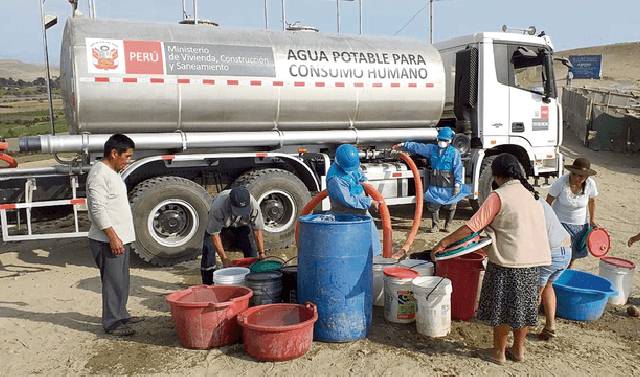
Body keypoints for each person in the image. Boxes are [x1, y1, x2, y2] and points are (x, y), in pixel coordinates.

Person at [432, 153, 550, 365]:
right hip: (533, 263)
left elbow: (472, 227)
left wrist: (443, 243)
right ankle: (518, 350)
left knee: (503, 308)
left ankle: (498, 353)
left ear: (496, 176)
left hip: (509, 262)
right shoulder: (531, 195)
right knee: (523, 308)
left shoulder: (499, 196)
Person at [86, 134, 142, 337]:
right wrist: (113, 237)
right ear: (113, 153)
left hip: (120, 238)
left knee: (122, 279)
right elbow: (97, 209)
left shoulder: (112, 171)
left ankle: (121, 313)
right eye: (126, 156)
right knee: (113, 281)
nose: (128, 160)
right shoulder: (99, 175)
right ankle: (112, 323)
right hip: (107, 240)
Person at [393, 127, 465, 232]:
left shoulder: (454, 153)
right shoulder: (432, 149)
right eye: (440, 139)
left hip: (449, 182)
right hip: (435, 180)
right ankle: (435, 225)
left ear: (449, 141)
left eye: (445, 140)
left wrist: (457, 185)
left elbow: (457, 169)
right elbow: (419, 147)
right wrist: (405, 144)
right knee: (433, 204)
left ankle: (448, 225)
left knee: (451, 204)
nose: (442, 142)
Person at [201, 186, 266, 284]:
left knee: (251, 248)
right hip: (222, 225)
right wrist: (224, 258)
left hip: (241, 224)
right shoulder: (218, 207)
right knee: (208, 248)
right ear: (230, 203)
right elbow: (214, 234)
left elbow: (257, 230)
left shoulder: (254, 205)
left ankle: (251, 279)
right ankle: (208, 282)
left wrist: (261, 253)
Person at [326, 144, 382, 256]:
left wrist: (366, 185)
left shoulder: (352, 165)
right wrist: (369, 202)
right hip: (345, 213)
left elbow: (360, 175)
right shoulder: (335, 179)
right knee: (350, 242)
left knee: (371, 236)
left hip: (361, 210)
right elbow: (348, 200)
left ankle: (375, 259)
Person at [546, 158, 598, 269]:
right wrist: (547, 221)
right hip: (560, 224)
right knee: (559, 255)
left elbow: (592, 201)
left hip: (580, 225)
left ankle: (567, 275)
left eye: (581, 176)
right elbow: (548, 201)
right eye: (575, 174)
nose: (577, 178)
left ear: (587, 177)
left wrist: (592, 220)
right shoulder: (560, 183)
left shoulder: (590, 184)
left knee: (572, 257)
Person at [537, 198, 572, 341]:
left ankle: (521, 332)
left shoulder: (527, 205)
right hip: (566, 251)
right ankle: (550, 326)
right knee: (548, 286)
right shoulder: (541, 202)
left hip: (551, 253)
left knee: (534, 292)